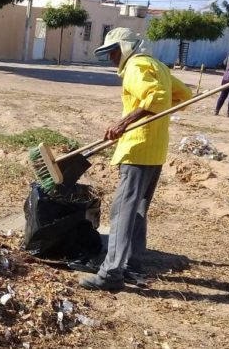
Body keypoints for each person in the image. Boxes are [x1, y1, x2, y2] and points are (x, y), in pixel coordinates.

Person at [78, 28, 192, 291]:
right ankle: (132, 264)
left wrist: (123, 122)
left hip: (138, 148)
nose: (111, 58)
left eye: (113, 52)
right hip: (155, 150)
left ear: (125, 48)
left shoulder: (136, 66)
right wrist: (154, 110)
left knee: (122, 212)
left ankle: (111, 273)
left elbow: (157, 97)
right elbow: (183, 95)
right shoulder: (158, 66)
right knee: (138, 210)